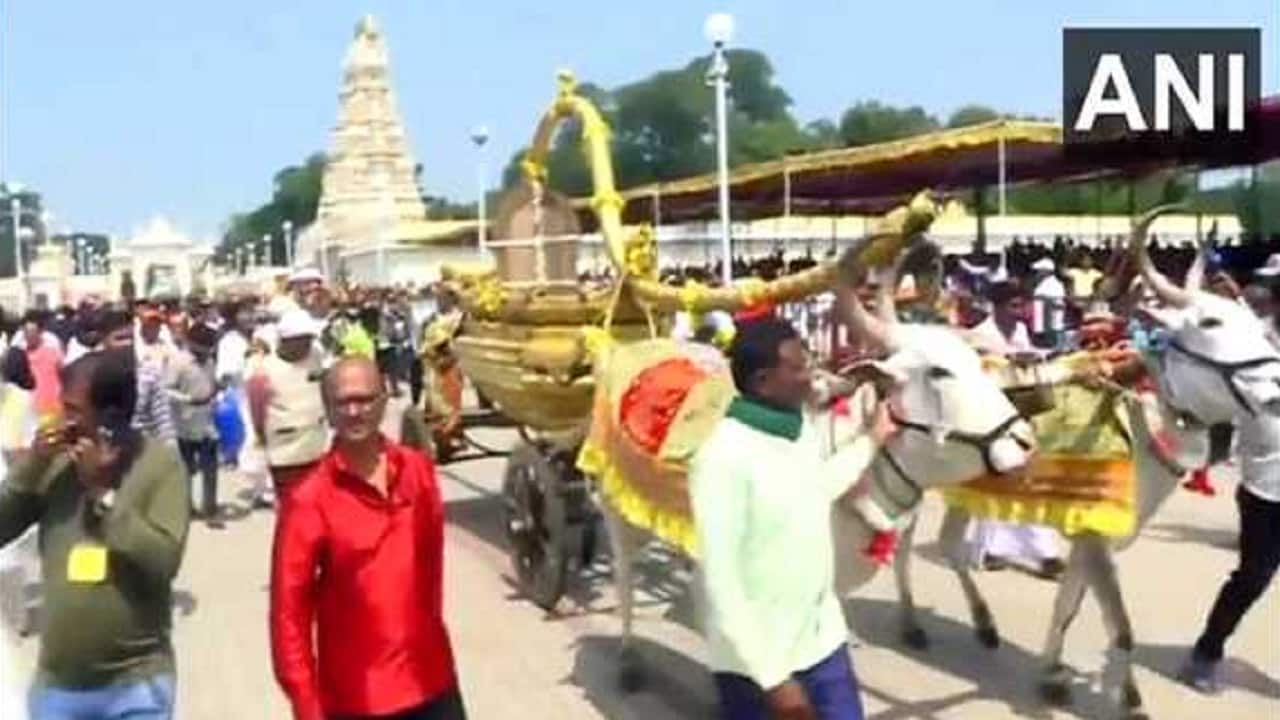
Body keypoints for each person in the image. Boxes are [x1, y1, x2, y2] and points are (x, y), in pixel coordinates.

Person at [691, 318, 896, 720]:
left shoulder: (797, 431)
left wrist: (872, 438)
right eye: (799, 367)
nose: (811, 376)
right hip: (756, 667)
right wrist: (774, 680)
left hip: (823, 646)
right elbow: (721, 582)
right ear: (765, 381)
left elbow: (817, 487)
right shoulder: (722, 458)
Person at [0, 349, 190, 719]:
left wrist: (102, 494)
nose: (61, 420)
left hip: (137, 684)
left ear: (110, 416)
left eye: (73, 410)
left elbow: (163, 561)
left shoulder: (160, 466)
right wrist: (32, 466)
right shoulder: (55, 461)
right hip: (59, 688)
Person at [271, 356, 464, 720]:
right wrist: (306, 703)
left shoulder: (417, 471)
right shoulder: (308, 500)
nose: (354, 410)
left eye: (364, 399)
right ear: (327, 409)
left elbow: (430, 570)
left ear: (384, 399)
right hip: (359, 697)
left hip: (432, 680)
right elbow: (288, 615)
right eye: (343, 402)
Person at [247, 309, 329, 502]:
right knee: (291, 506)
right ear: (286, 340)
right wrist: (260, 437)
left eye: (310, 339)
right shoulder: (263, 370)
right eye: (303, 340)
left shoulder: (315, 356)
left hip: (317, 445)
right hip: (285, 452)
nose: (308, 344)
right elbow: (257, 410)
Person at [170, 323, 221, 525]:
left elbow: (210, 383)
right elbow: (165, 390)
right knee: (186, 471)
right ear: (192, 344)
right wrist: (188, 400)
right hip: (184, 424)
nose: (207, 351)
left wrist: (217, 390)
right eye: (203, 347)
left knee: (210, 469)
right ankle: (186, 508)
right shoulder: (178, 362)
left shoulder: (209, 361)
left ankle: (210, 509)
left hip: (208, 424)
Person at [100, 308, 176, 444]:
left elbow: (162, 419)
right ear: (104, 340)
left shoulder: (149, 373)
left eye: (130, 339)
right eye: (119, 339)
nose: (126, 344)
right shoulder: (90, 373)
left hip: (141, 447)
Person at [23, 311, 65, 425]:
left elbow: (64, 374)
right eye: (26, 332)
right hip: (30, 409)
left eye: (32, 331)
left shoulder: (52, 352)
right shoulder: (21, 356)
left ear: (40, 333)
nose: (28, 335)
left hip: (53, 407)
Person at [1030, 257, 1066, 350]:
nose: (1036, 273)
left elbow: (1051, 305)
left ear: (1046, 271)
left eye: (1038, 271)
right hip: (1043, 328)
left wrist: (1044, 330)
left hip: (1050, 329)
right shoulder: (1042, 284)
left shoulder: (1054, 285)